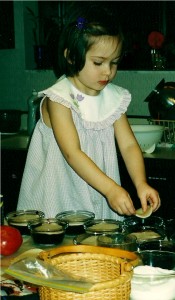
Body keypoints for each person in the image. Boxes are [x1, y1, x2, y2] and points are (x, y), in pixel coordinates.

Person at [17, 3, 160, 219]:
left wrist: (141, 183)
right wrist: (111, 189)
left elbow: (129, 145)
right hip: (58, 196)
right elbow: (72, 153)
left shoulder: (113, 98)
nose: (108, 71)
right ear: (72, 56)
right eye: (98, 62)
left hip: (98, 194)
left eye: (114, 63)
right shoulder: (59, 98)